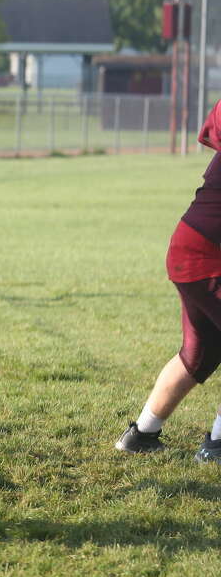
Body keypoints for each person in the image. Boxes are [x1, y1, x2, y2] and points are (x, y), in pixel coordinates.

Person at [116, 99, 221, 462]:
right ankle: (217, 446)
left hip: (190, 247)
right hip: (207, 253)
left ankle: (142, 434)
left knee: (199, 353)